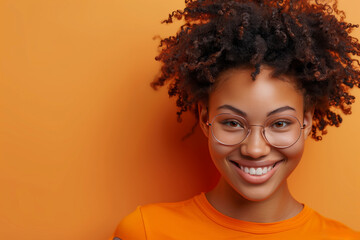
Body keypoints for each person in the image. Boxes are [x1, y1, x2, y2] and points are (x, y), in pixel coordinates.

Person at [110, 0, 360, 239]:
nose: (254, 149)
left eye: (280, 123)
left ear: (306, 122)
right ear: (205, 119)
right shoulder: (145, 232)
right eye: (232, 123)